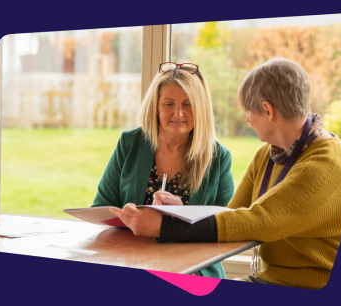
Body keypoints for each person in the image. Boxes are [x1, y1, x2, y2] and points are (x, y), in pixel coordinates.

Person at [110, 57, 341, 289]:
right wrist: (181, 213)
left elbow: (256, 222)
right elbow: (229, 217)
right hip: (270, 280)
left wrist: (164, 226)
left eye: (249, 112)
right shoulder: (269, 154)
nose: (248, 120)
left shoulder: (324, 167)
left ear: (267, 110)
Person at [91, 62, 235, 278]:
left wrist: (182, 218)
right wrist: (134, 220)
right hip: (132, 261)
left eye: (188, 104)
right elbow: (102, 209)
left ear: (201, 108)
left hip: (194, 271)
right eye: (169, 104)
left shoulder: (218, 157)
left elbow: (228, 229)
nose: (178, 113)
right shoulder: (129, 143)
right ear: (155, 107)